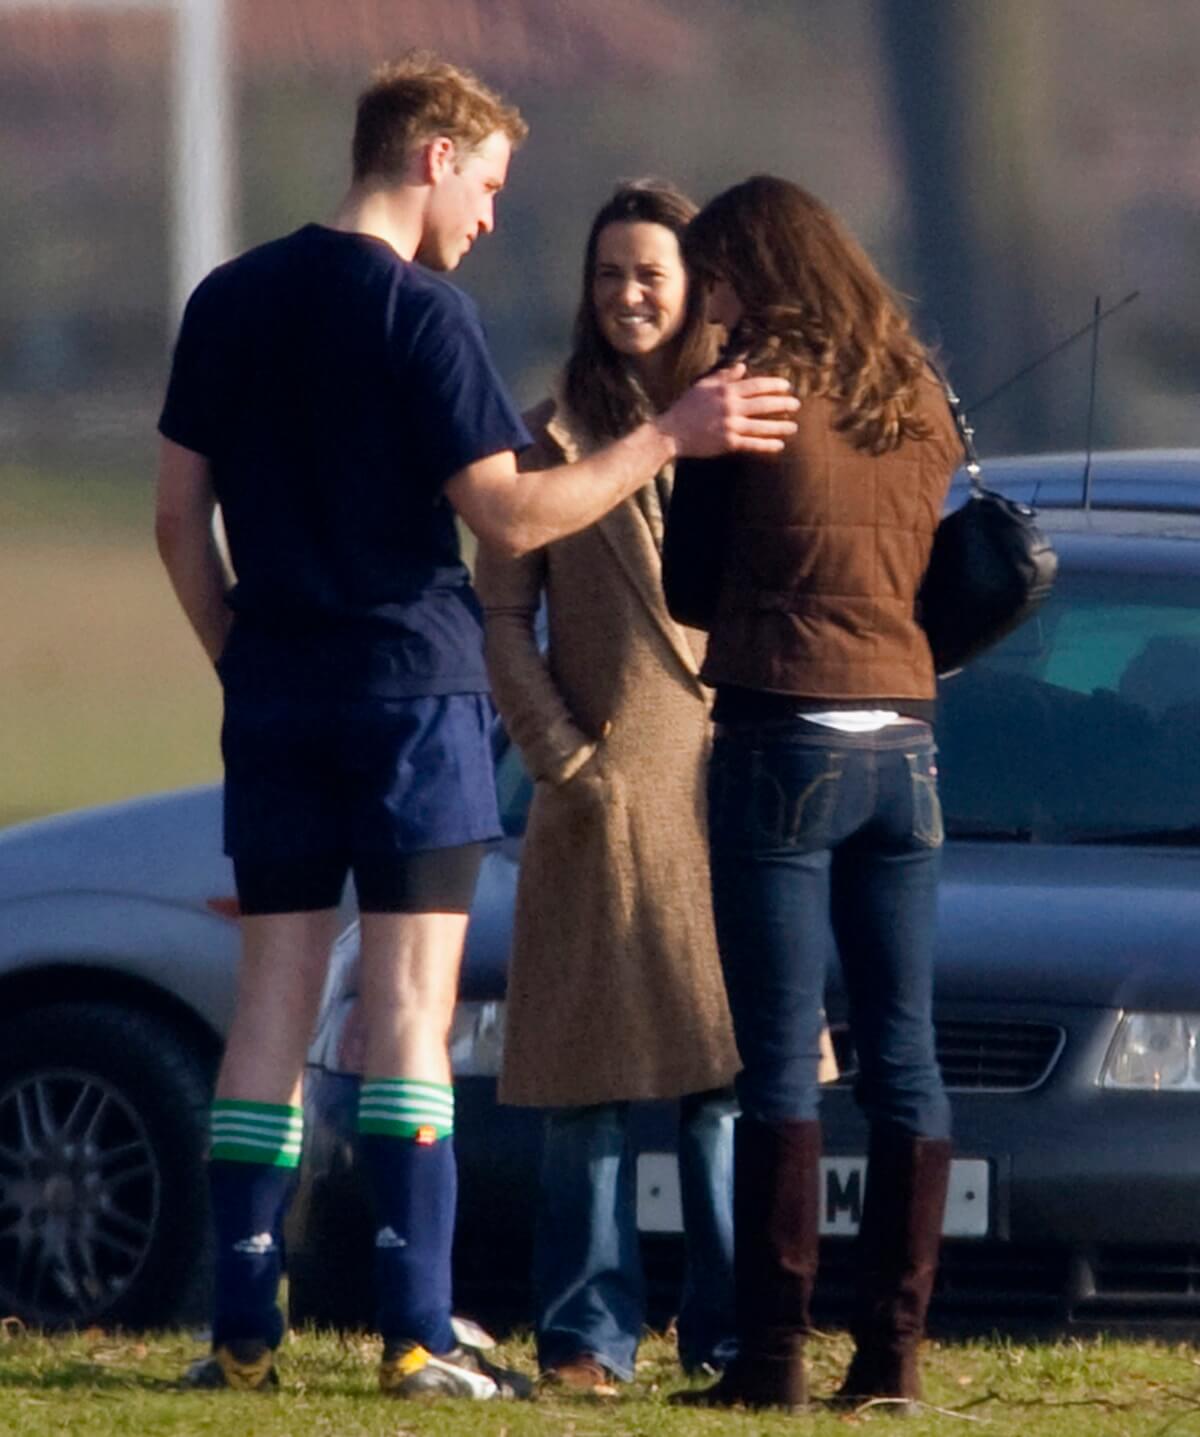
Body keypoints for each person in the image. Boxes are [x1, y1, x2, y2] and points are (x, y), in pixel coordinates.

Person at [153, 55, 797, 1402]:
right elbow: (509, 516)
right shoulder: (422, 314)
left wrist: (249, 669)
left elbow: (174, 521)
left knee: (271, 1003)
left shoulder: (227, 298)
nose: (492, 217)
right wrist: (667, 436)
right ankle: (415, 1325)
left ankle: (239, 1329)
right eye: (488, 184)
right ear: (435, 152)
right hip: (411, 700)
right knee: (406, 1009)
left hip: (274, 698)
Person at [662, 175, 962, 1412]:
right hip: (906, 745)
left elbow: (686, 588)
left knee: (781, 1059)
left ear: (756, 268)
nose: (707, 303)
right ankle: (890, 1358)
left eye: (715, 277)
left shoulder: (752, 396)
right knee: (906, 1053)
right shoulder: (916, 388)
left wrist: (692, 436)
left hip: (784, 734)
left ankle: (774, 1360)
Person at [475, 179, 740, 1391]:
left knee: (724, 1081)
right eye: (607, 274)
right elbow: (501, 616)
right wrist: (563, 761)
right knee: (586, 1084)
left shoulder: (753, 427)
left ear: (693, 293)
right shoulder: (543, 441)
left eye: (650, 274)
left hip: (733, 790)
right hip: (602, 796)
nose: (627, 295)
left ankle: (735, 1328)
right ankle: (588, 1334)